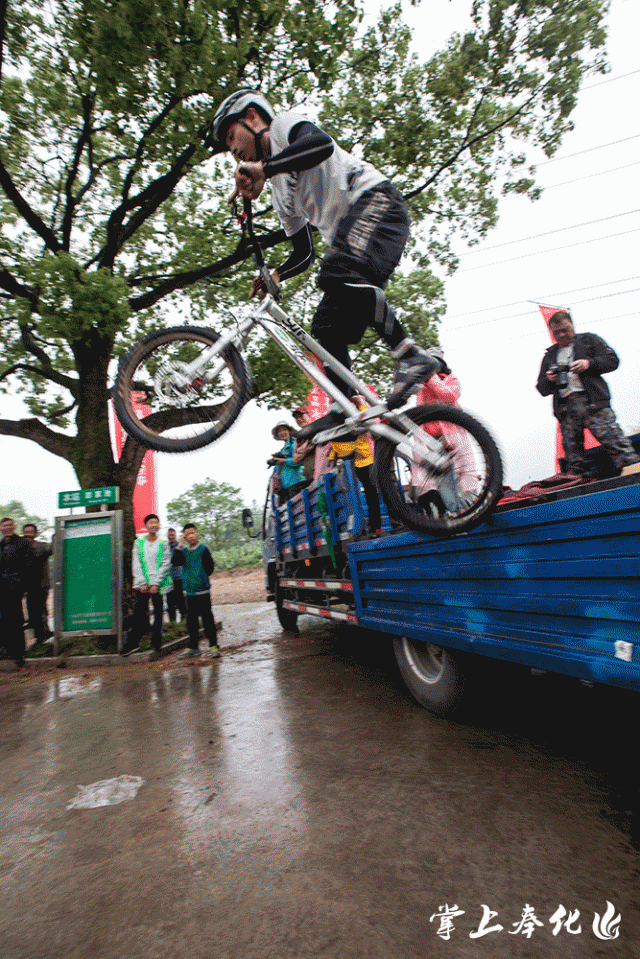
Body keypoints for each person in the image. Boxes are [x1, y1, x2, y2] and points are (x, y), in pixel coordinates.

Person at [209, 89, 440, 423]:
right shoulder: (280, 196)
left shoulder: (283, 127)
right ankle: (346, 407)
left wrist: (265, 167)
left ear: (252, 118)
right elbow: (304, 252)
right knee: (326, 326)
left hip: (377, 203)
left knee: (336, 271)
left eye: (232, 137)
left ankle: (409, 354)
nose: (232, 150)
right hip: (354, 241)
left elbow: (320, 146)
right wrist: (277, 274)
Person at [536, 312, 640, 477]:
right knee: (573, 459)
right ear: (552, 332)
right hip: (566, 409)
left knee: (617, 444)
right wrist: (549, 379)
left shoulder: (589, 340)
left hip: (593, 402)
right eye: (557, 332)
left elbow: (613, 360)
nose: (561, 335)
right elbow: (541, 388)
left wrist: (589, 363)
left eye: (565, 330)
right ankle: (577, 484)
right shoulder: (550, 355)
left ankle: (634, 475)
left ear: (572, 326)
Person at [329, 395, 382, 535]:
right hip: (350, 461)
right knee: (353, 493)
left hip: (367, 458)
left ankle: (375, 526)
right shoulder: (337, 418)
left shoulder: (359, 411)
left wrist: (360, 403)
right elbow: (336, 441)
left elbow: (371, 420)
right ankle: (361, 526)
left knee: (371, 491)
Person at [121, 514, 172, 656]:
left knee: (158, 613)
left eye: (156, 522)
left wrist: (156, 583)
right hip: (142, 586)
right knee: (137, 614)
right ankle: (132, 644)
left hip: (157, 585)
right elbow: (136, 563)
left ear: (159, 525)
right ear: (146, 526)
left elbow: (166, 563)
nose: (154, 525)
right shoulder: (138, 543)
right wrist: (142, 582)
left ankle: (157, 641)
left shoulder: (163, 543)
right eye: (151, 523)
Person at [172, 523, 220, 659]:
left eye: (192, 533)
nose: (190, 536)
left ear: (197, 533)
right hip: (189, 593)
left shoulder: (203, 549)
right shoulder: (184, 552)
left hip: (202, 591)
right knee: (191, 621)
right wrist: (179, 544)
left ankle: (214, 646)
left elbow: (210, 567)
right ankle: (193, 647)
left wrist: (201, 578)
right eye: (187, 534)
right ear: (184, 537)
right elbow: (175, 561)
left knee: (207, 619)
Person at [0, 518, 34, 667]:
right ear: (1, 529)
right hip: (1, 587)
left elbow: (28, 566)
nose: (7, 528)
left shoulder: (23, 543)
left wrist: (23, 585)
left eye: (9, 525)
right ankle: (4, 650)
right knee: (3, 620)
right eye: (4, 526)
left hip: (15, 586)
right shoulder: (0, 545)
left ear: (13, 527)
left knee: (15, 618)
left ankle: (19, 652)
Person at [22, 523, 53, 645]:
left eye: (30, 532)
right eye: (26, 531)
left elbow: (52, 549)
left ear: (35, 534)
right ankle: (40, 637)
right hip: (28, 587)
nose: (28, 534)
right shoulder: (21, 547)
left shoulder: (42, 546)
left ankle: (44, 637)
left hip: (41, 585)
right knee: (32, 612)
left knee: (40, 611)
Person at [269, 421, 305, 502]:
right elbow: (276, 472)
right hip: (284, 488)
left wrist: (284, 461)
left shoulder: (294, 443)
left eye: (284, 430)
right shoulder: (282, 450)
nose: (282, 433)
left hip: (296, 483)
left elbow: (299, 461)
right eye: (279, 431)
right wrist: (275, 486)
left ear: (289, 431)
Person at [166, 527, 187, 622]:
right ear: (167, 536)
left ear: (175, 536)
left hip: (178, 577)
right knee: (169, 601)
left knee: (180, 599)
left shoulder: (180, 546)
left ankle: (184, 618)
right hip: (168, 578)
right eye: (169, 535)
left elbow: (175, 559)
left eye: (173, 535)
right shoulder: (165, 547)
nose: (171, 537)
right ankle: (172, 621)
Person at [291, 407, 316, 487]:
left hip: (325, 471)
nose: (299, 419)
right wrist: (304, 450)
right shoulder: (300, 438)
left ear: (309, 416)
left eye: (301, 416)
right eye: (296, 418)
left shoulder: (318, 428)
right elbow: (295, 459)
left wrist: (301, 451)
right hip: (310, 477)